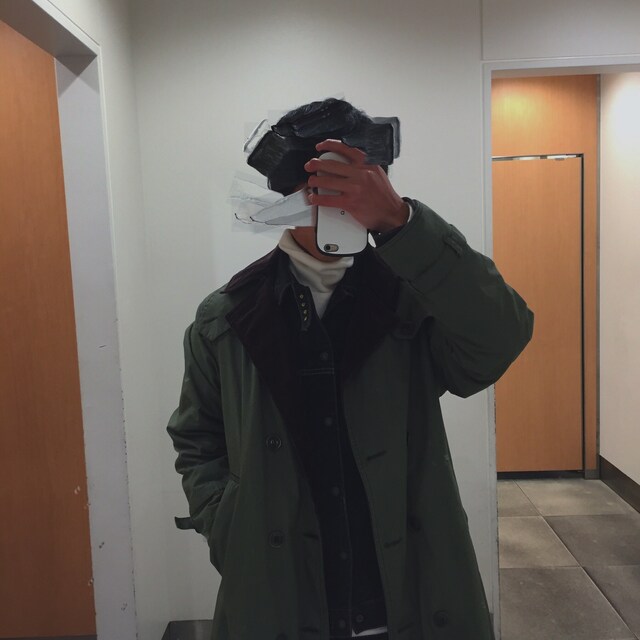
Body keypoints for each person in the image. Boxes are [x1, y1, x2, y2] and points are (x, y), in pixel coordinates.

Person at [167, 98, 534, 640]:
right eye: (326, 187)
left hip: (405, 588)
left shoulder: (412, 298)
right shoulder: (225, 317)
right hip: (278, 592)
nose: (344, 204)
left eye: (359, 184)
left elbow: (501, 337)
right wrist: (227, 523)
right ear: (292, 196)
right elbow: (197, 438)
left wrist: (404, 224)